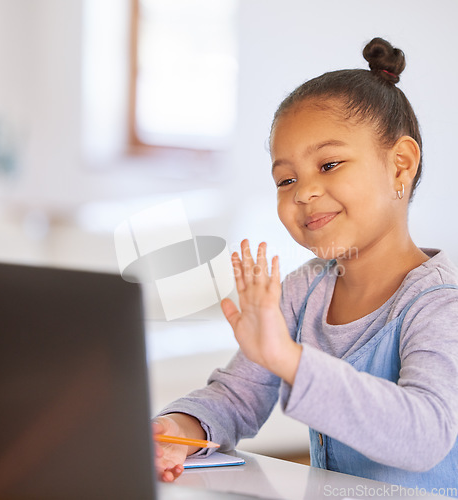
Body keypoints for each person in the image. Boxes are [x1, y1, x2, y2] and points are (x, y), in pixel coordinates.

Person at [153, 37, 458, 495]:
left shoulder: (439, 305)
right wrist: (175, 430)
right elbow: (237, 398)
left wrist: (289, 358)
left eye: (329, 164)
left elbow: (423, 435)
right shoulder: (303, 292)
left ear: (400, 165)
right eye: (286, 179)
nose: (303, 192)